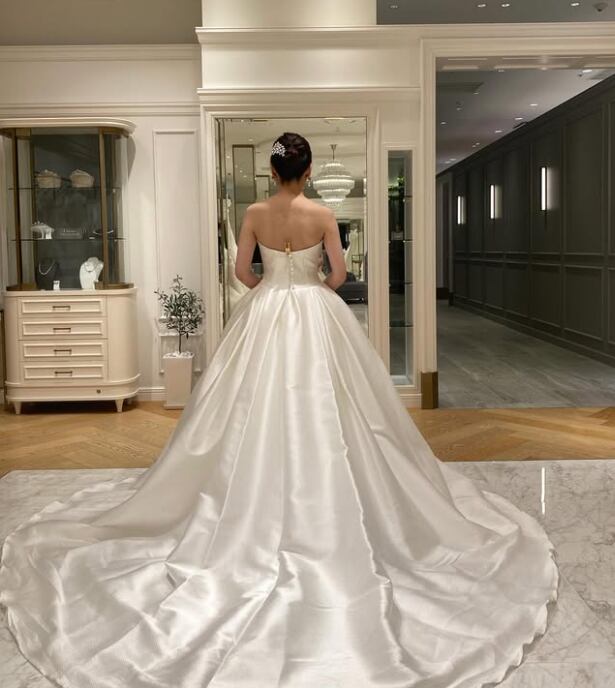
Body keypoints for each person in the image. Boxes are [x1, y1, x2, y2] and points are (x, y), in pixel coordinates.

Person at [0, 132, 559, 688]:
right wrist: (312, 281)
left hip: (264, 311)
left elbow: (242, 273)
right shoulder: (323, 214)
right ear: (309, 170)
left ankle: (245, 506)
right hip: (317, 312)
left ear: (272, 172)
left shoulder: (254, 213)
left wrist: (272, 282)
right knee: (342, 410)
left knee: (242, 409)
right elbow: (339, 276)